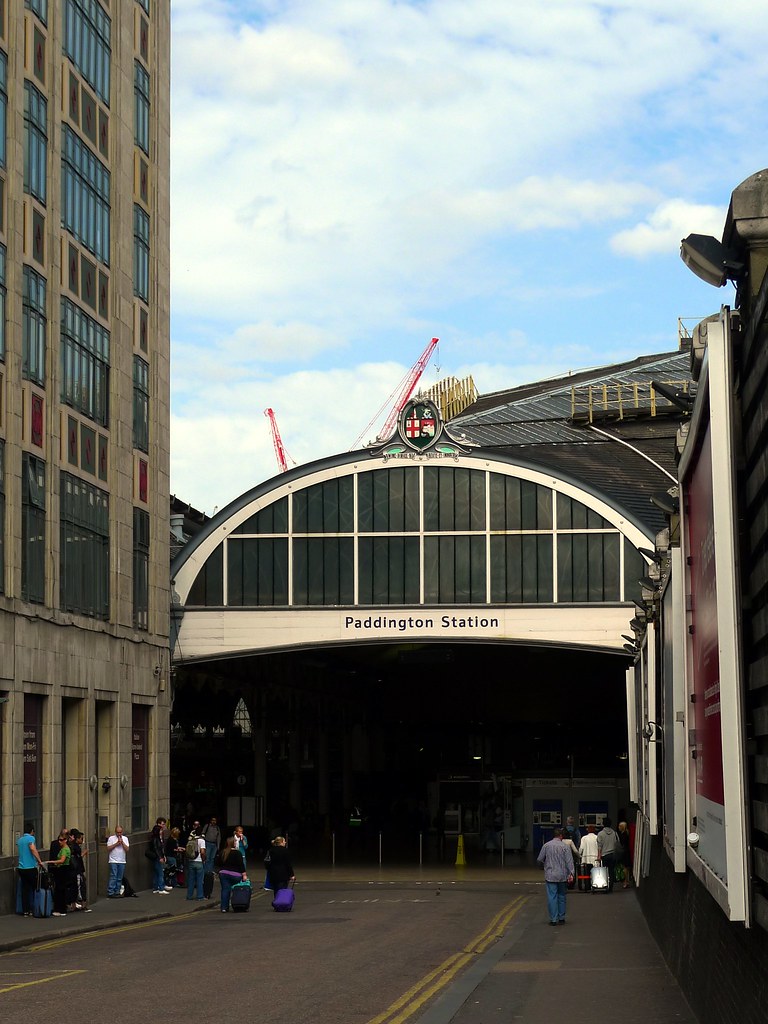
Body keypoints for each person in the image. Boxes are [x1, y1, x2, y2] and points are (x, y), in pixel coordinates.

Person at [536, 827, 575, 925]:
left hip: (550, 875)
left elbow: (540, 859)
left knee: (552, 897)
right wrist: (571, 874)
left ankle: (553, 919)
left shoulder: (546, 846)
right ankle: (561, 918)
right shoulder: (565, 847)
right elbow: (569, 862)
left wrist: (543, 866)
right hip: (562, 875)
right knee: (562, 896)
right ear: (561, 836)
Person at [16, 823, 45, 917]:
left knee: (25, 889)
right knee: (34, 888)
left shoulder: (19, 840)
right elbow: (32, 849)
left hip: (21, 868)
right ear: (32, 831)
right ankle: (34, 908)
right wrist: (39, 860)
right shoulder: (31, 838)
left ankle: (25, 910)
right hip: (30, 867)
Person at [218, 836, 247, 912]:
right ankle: (238, 904)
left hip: (223, 873)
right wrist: (244, 875)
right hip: (235, 875)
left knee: (225, 890)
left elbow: (217, 863)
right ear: (233, 843)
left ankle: (224, 908)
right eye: (235, 842)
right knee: (237, 890)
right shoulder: (237, 853)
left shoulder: (223, 852)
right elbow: (241, 865)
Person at [47, 832, 73, 916]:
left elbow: (62, 860)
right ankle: (61, 909)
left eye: (61, 840)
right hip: (62, 870)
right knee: (60, 890)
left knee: (60, 890)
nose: (59, 841)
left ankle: (60, 909)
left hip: (63, 870)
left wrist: (51, 861)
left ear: (65, 840)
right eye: (59, 840)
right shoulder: (63, 849)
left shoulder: (65, 849)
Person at [67, 829, 92, 912]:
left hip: (75, 870)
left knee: (75, 887)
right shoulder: (75, 847)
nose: (82, 840)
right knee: (81, 886)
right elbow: (78, 858)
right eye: (81, 838)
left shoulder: (72, 846)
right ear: (77, 839)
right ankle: (83, 905)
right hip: (77, 870)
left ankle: (74, 905)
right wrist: (83, 854)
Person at [597, 817, 622, 893]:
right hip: (613, 855)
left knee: (605, 871)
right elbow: (618, 843)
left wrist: (599, 856)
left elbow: (599, 846)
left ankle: (605, 886)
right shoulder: (614, 833)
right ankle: (610, 887)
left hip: (605, 855)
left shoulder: (600, 834)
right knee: (611, 871)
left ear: (603, 824)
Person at [106, 826, 130, 898]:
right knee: (113, 876)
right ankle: (111, 892)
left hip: (122, 860)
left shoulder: (125, 839)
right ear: (115, 832)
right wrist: (116, 844)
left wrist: (122, 843)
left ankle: (117, 891)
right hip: (113, 860)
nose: (119, 834)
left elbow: (127, 849)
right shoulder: (111, 838)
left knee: (119, 877)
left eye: (120, 832)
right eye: (117, 832)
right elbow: (108, 848)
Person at [185, 823, 206, 900]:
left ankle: (189, 896)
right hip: (199, 861)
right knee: (199, 880)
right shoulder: (201, 841)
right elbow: (202, 852)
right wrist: (204, 860)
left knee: (191, 880)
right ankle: (200, 896)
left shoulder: (191, 839)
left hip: (191, 861)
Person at [150, 817, 170, 894]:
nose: (162, 829)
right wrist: (160, 857)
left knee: (156, 872)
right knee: (160, 872)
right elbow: (156, 848)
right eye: (162, 825)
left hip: (158, 856)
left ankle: (156, 888)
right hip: (158, 857)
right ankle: (161, 888)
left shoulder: (157, 837)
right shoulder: (156, 838)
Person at [578, 825, 599, 892]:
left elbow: (581, 848)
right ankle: (595, 885)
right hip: (595, 857)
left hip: (586, 857)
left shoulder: (584, 838)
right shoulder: (597, 837)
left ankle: (587, 886)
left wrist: (579, 854)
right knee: (595, 873)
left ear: (588, 830)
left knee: (586, 873)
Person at [617, 821, 632, 888]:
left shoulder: (623, 835)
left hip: (624, 852)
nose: (618, 827)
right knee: (627, 867)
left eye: (620, 826)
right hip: (627, 851)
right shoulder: (627, 833)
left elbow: (621, 844)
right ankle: (627, 881)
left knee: (625, 867)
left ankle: (625, 881)